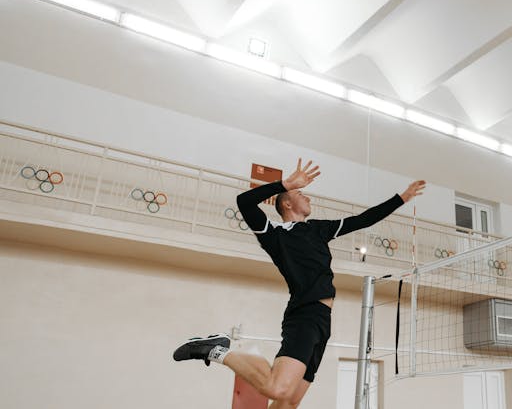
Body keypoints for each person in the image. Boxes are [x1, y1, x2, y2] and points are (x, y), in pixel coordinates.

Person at [173, 158, 426, 408]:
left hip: (322, 322)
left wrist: (402, 198)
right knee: (276, 387)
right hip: (304, 314)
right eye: (301, 193)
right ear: (286, 202)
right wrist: (284, 183)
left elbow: (364, 219)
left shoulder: (319, 229)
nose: (308, 198)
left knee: (288, 401)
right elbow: (244, 201)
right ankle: (215, 349)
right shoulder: (274, 234)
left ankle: (232, 352)